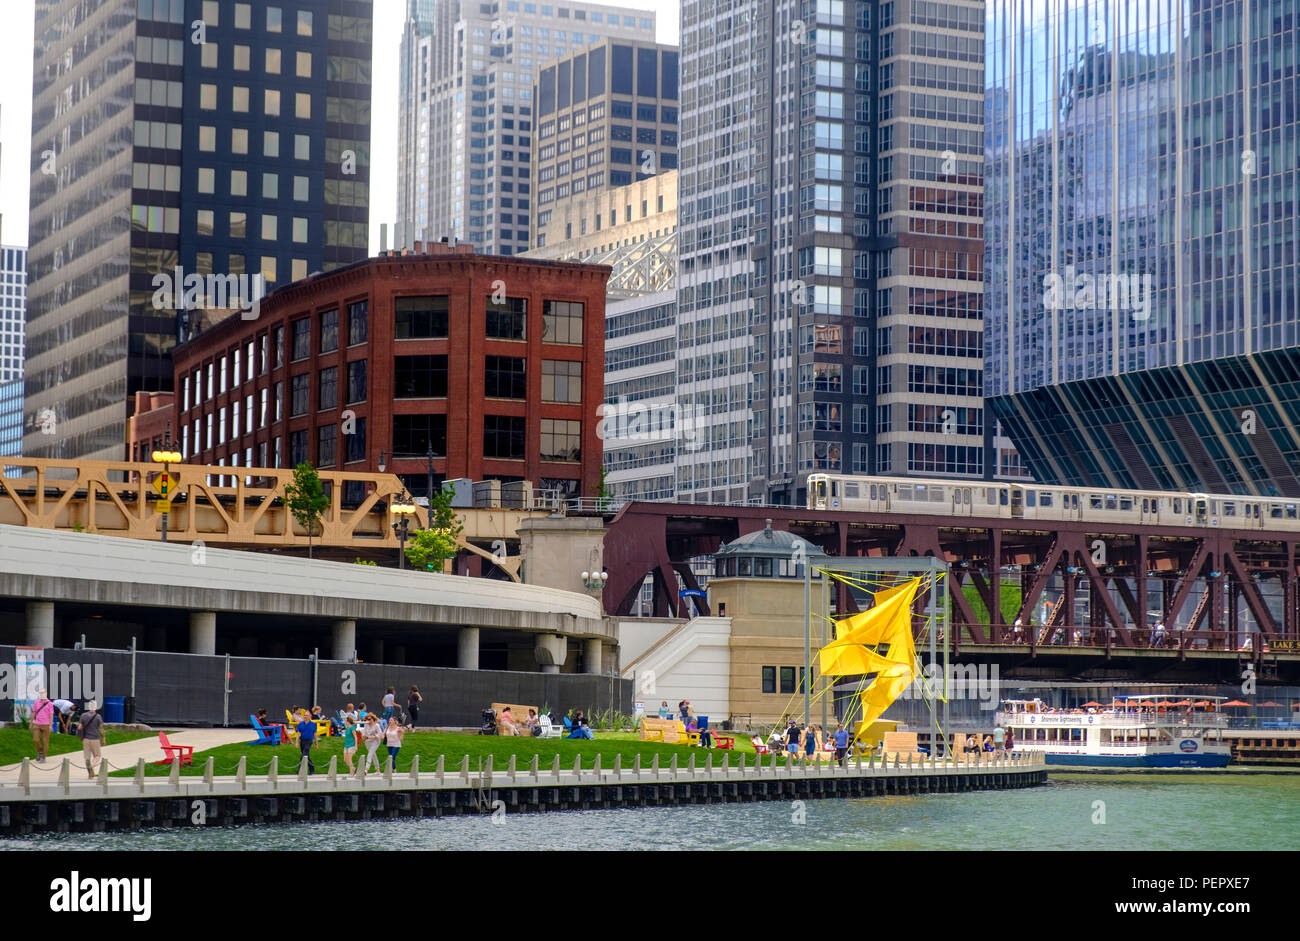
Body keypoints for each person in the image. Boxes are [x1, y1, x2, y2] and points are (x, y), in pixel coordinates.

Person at [77, 700, 106, 779]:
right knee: (97, 756)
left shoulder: (83, 715)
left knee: (87, 758)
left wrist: (80, 734)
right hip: (95, 739)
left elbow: (79, 727)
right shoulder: (98, 717)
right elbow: (101, 728)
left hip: (86, 739)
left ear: (88, 707)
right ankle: (92, 765)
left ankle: (90, 774)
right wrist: (103, 738)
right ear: (96, 707)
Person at [31, 690, 54, 763]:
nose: (42, 694)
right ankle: (40, 753)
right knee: (35, 740)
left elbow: (51, 715)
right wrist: (31, 723)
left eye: (43, 693)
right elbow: (33, 712)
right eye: (41, 693)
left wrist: (50, 725)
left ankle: (43, 757)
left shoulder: (50, 703)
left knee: (45, 741)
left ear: (46, 694)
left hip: (46, 725)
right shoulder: (36, 702)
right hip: (37, 724)